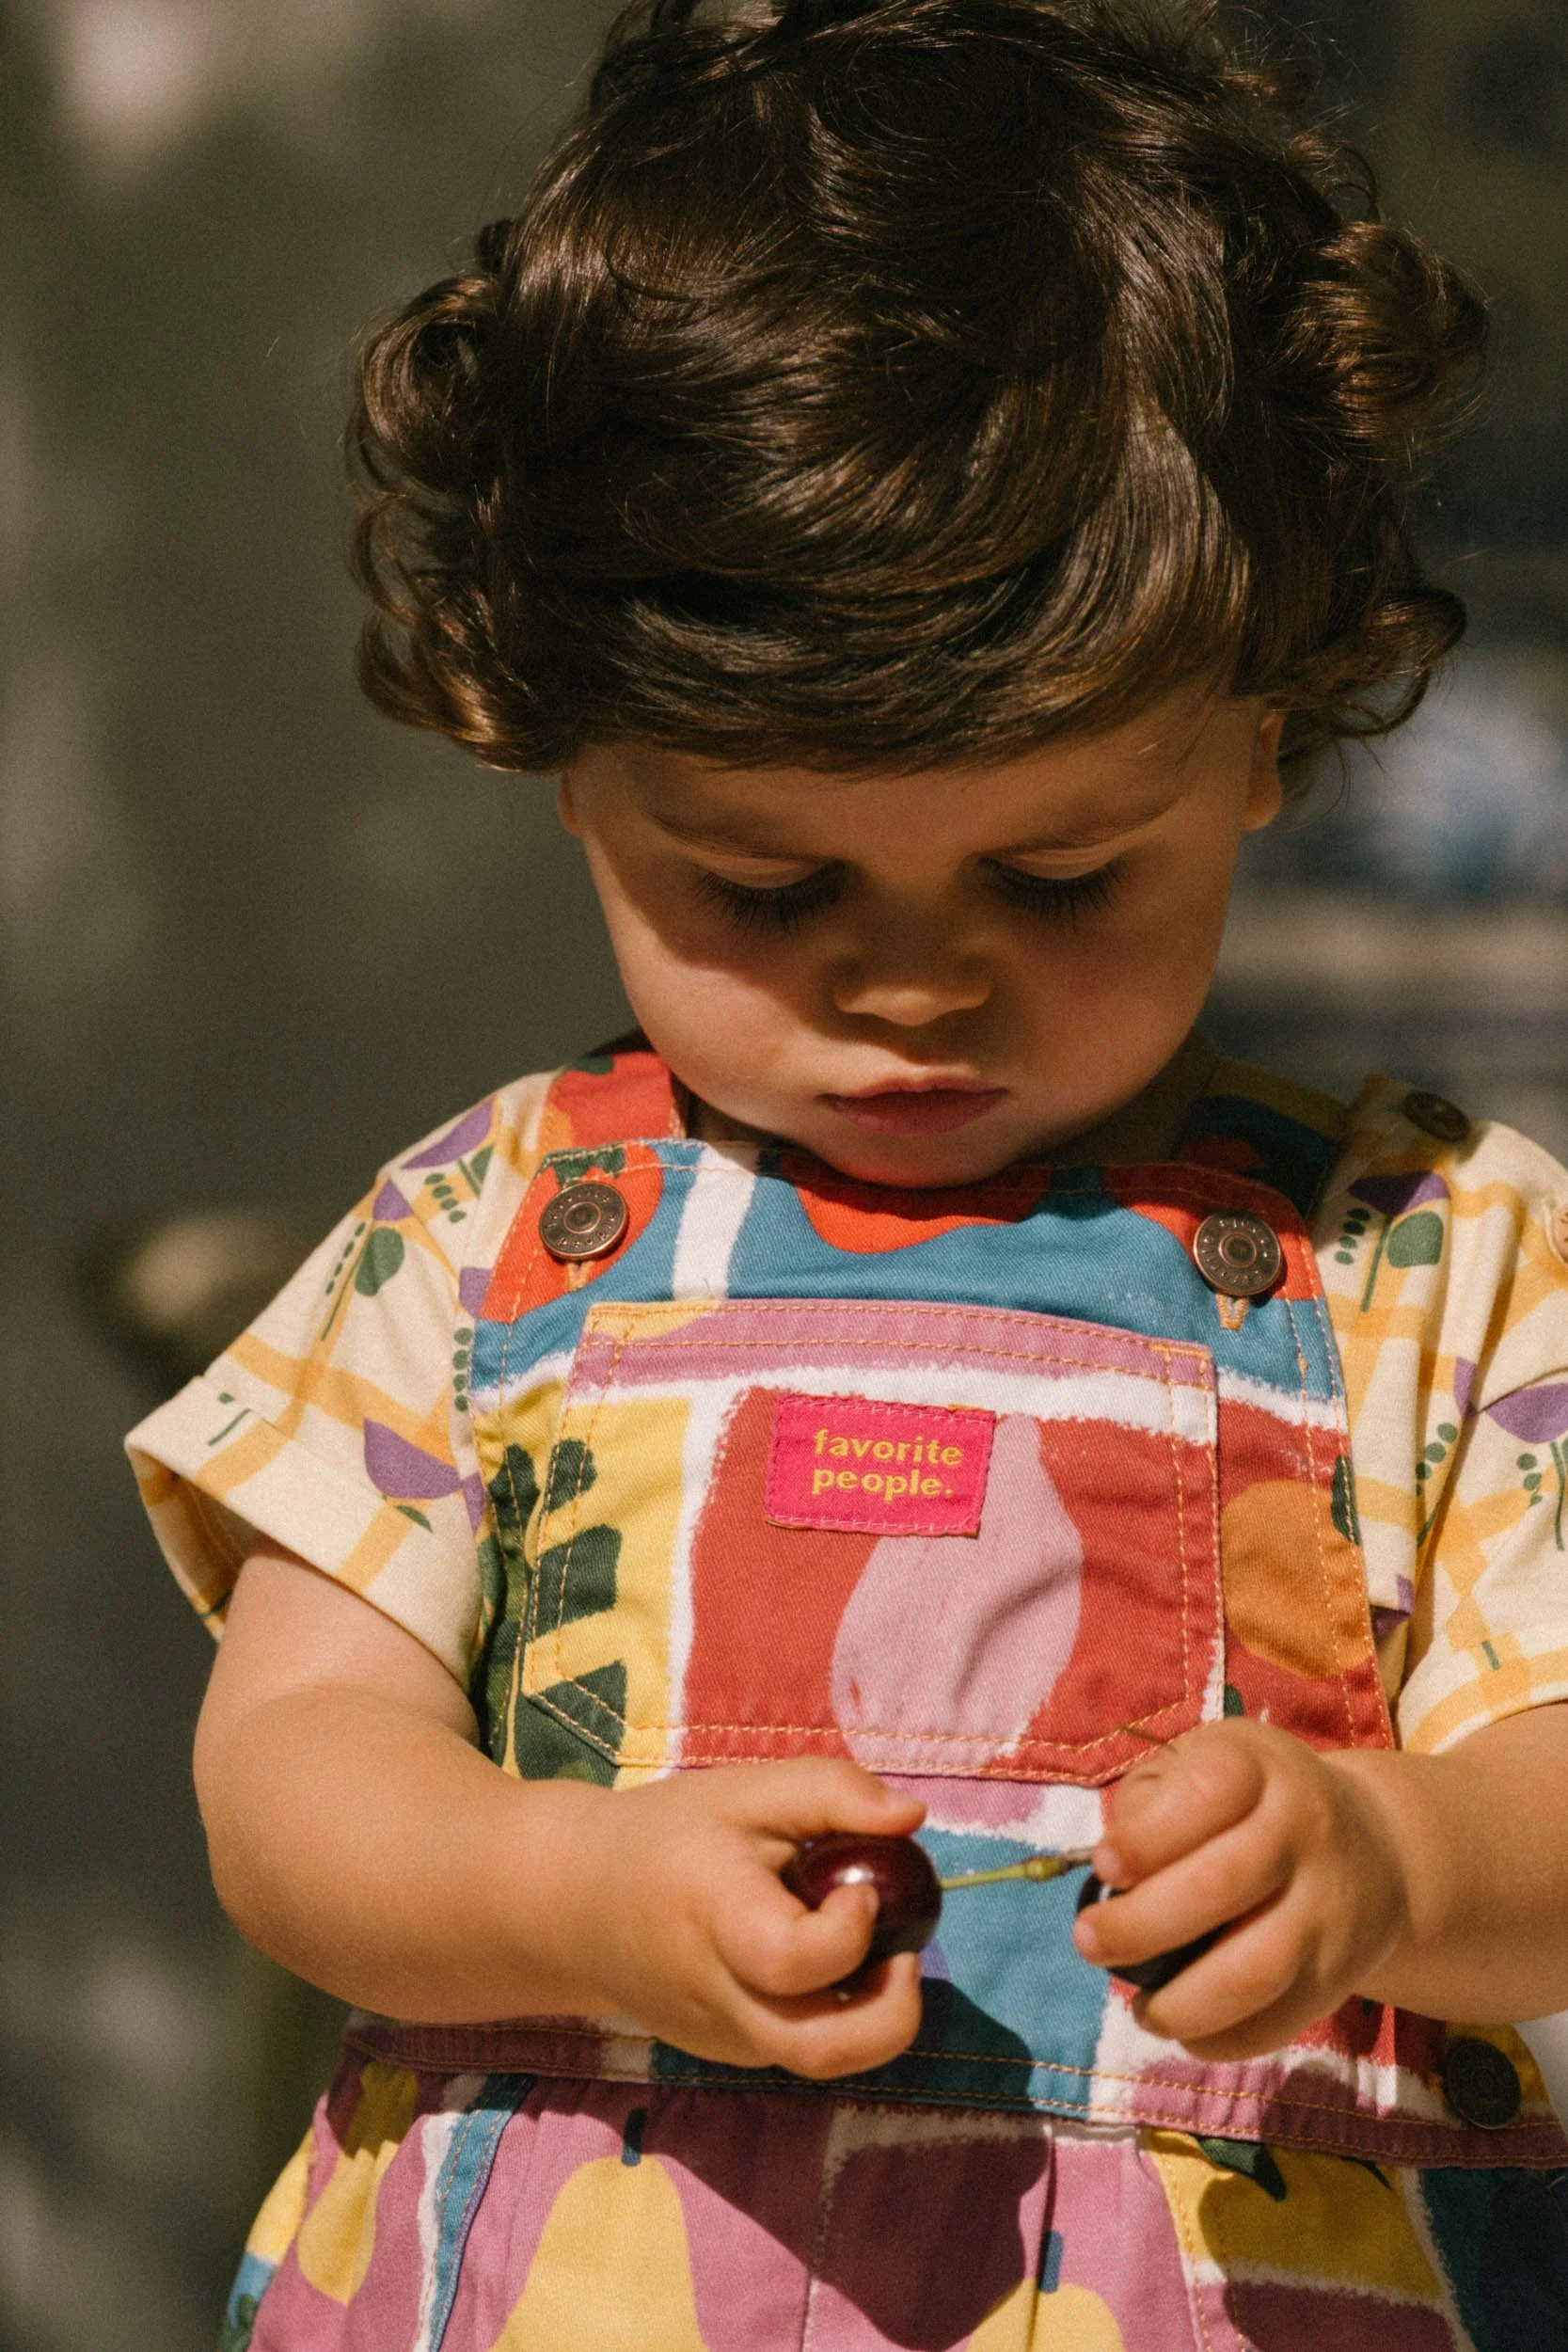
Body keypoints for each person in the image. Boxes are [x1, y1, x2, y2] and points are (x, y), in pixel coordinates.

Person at [126, 3, 1568, 2345]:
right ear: (563, 760)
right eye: (769, 888)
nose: (914, 985)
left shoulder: (1431, 1253)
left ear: (1267, 735)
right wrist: (567, 1881)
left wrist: (1397, 1857)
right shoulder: (491, 1231)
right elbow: (291, 1771)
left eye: (1059, 875)